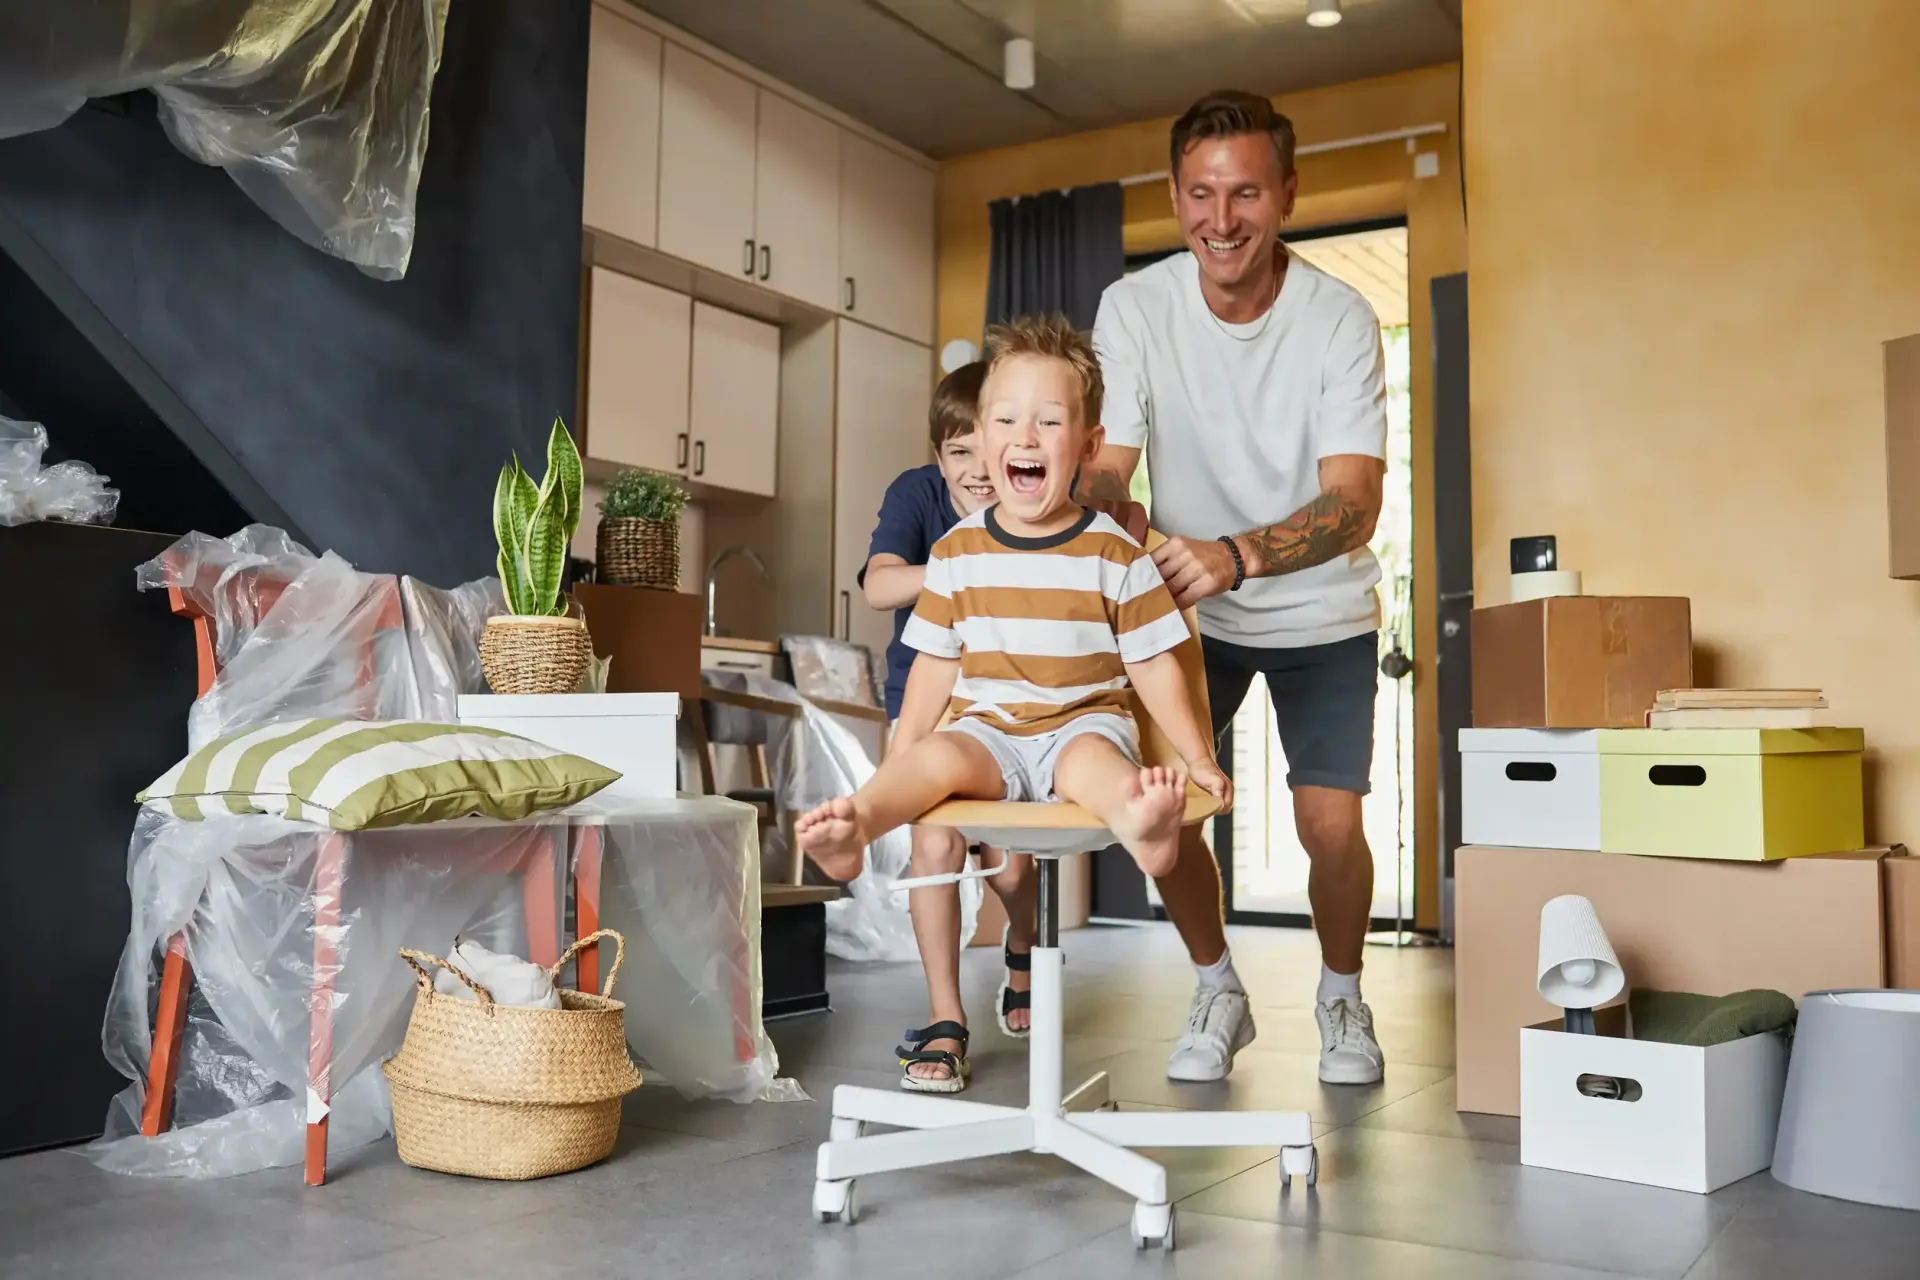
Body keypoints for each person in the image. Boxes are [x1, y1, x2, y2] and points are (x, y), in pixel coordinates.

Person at [799, 316, 1234, 1085]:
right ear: (980, 437)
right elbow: (931, 669)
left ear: (1088, 447)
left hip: (1080, 724)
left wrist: (1198, 758)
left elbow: (1157, 667)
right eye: (1005, 419)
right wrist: (898, 771)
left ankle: (1145, 828)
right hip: (989, 730)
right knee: (935, 754)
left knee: (1099, 765)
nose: (1023, 436)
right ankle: (857, 827)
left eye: (1049, 420)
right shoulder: (956, 554)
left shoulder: (1113, 553)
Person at [1081, 90, 1391, 1087]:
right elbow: (1107, 469)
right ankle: (1217, 984)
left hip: (1320, 606)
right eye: (1202, 194)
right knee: (1171, 812)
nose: (1222, 220)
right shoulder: (1135, 306)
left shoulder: (1338, 319)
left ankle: (1342, 994)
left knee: (1329, 823)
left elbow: (1356, 500)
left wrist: (1238, 554)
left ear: (1288, 193)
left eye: (1246, 192)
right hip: (1185, 611)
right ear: (1175, 196)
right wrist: (1106, 512)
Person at [858, 362, 1035, 1093]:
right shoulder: (917, 497)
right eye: (957, 454)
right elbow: (878, 585)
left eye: (984, 449)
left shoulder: (1033, 501)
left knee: (1014, 866)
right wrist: (963, 564)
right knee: (935, 844)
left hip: (1007, 708)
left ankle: (1022, 942)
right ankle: (945, 1019)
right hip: (929, 706)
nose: (975, 471)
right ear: (940, 457)